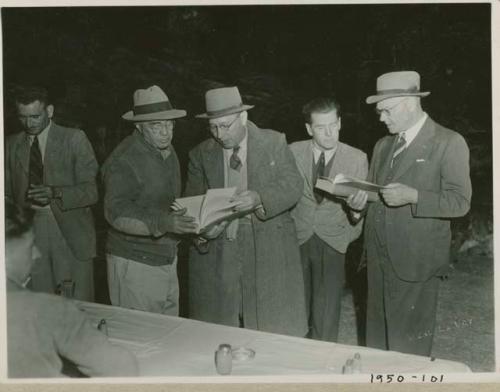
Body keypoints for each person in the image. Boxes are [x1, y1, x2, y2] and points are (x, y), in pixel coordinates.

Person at [347, 71, 472, 356]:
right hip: (377, 260)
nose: (381, 118)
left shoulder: (448, 142)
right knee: (376, 348)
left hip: (415, 264)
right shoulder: (382, 145)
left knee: (408, 351)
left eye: (385, 111)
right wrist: (358, 207)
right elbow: (374, 194)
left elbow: (460, 201)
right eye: (379, 112)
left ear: (408, 103)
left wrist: (413, 196)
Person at [185, 86, 307, 337]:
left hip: (267, 248)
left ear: (243, 117)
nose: (220, 134)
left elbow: (293, 185)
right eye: (213, 127)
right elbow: (192, 205)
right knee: (219, 331)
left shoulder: (274, 142)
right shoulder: (200, 154)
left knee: (270, 328)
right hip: (222, 250)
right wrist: (204, 230)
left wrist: (260, 198)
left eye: (226, 126)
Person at [5, 199, 139, 378]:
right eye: (30, 247)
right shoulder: (48, 309)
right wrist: (89, 339)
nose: (37, 254)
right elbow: (123, 368)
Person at [102, 85, 198, 315]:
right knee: (139, 338)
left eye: (169, 124)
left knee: (166, 335)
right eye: (156, 125)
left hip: (165, 257)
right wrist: (163, 223)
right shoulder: (124, 159)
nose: (166, 132)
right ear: (139, 126)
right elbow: (116, 213)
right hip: (134, 262)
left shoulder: (166, 149)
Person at [5, 86, 98, 301]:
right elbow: (7, 194)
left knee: (76, 304)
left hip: (69, 233)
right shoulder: (10, 145)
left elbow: (91, 191)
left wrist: (55, 192)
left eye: (35, 117)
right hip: (30, 234)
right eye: (23, 117)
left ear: (50, 111)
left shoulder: (74, 139)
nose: (29, 124)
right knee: (40, 305)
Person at [289, 97, 368, 342]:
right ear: (309, 129)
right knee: (295, 312)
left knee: (326, 315)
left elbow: (360, 210)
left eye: (333, 125)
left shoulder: (357, 158)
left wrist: (356, 211)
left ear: (340, 123)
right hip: (296, 239)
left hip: (333, 243)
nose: (329, 133)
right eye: (321, 128)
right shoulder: (291, 151)